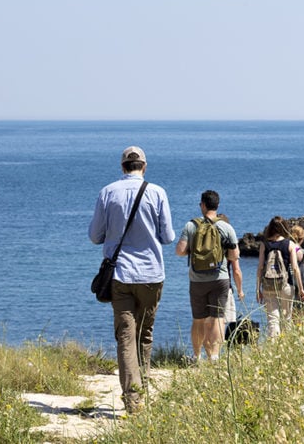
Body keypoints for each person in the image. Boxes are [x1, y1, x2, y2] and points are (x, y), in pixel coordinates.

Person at [88, 146, 176, 414]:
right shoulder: (157, 192)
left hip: (120, 274)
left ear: (122, 166)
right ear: (144, 166)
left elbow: (95, 236)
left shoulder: (107, 192)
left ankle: (133, 400)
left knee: (125, 337)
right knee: (144, 334)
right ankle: (143, 389)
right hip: (151, 274)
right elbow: (168, 236)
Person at [175, 191, 242, 363]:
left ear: (203, 205)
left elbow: (180, 251)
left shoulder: (191, 226)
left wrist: (194, 250)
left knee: (198, 320)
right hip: (220, 279)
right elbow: (234, 255)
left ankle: (196, 356)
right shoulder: (226, 227)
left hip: (197, 280)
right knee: (218, 318)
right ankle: (214, 356)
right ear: (217, 206)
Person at [256, 216, 304, 338]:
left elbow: (260, 268)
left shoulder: (264, 245)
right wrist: (301, 287)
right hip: (286, 285)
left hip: (268, 285)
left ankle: (274, 344)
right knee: (287, 317)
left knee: (273, 319)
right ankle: (285, 346)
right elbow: (295, 268)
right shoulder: (290, 244)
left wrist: (258, 289)